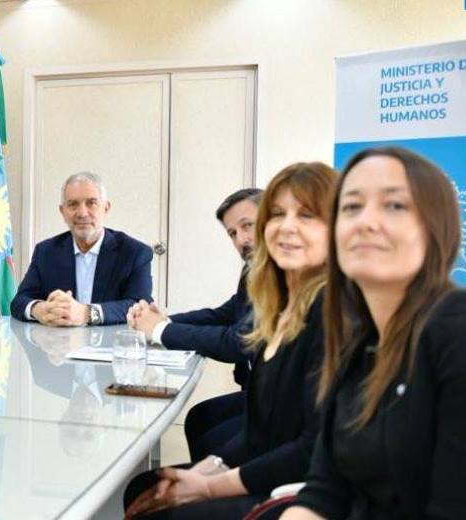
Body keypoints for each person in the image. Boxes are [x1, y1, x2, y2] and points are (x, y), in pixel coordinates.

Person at [123, 161, 336, 519]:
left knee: (162, 510)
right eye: (278, 215)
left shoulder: (332, 311)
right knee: (143, 487)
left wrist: (209, 485)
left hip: (305, 492)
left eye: (307, 215)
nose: (286, 227)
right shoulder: (280, 305)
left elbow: (310, 450)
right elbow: (260, 433)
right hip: (274, 469)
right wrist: (210, 467)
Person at [283, 147, 466, 519]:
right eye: (351, 207)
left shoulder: (458, 327)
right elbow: (323, 491)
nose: (366, 222)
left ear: (437, 226)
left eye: (395, 206)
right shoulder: (360, 342)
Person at [128, 188, 261, 461]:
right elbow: (224, 314)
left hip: (283, 404)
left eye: (247, 226)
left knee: (212, 436)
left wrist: (160, 330)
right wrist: (164, 320)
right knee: (199, 418)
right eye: (233, 233)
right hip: (259, 391)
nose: (241, 240)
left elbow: (239, 341)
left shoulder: (284, 271)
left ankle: (212, 489)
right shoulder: (254, 269)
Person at [11, 172, 153, 326]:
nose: (82, 213)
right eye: (73, 204)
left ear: (106, 208)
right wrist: (38, 309)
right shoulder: (46, 252)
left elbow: (140, 306)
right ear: (63, 212)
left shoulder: (135, 253)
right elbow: (19, 301)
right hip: (58, 346)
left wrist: (86, 313)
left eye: (91, 203)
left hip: (111, 346)